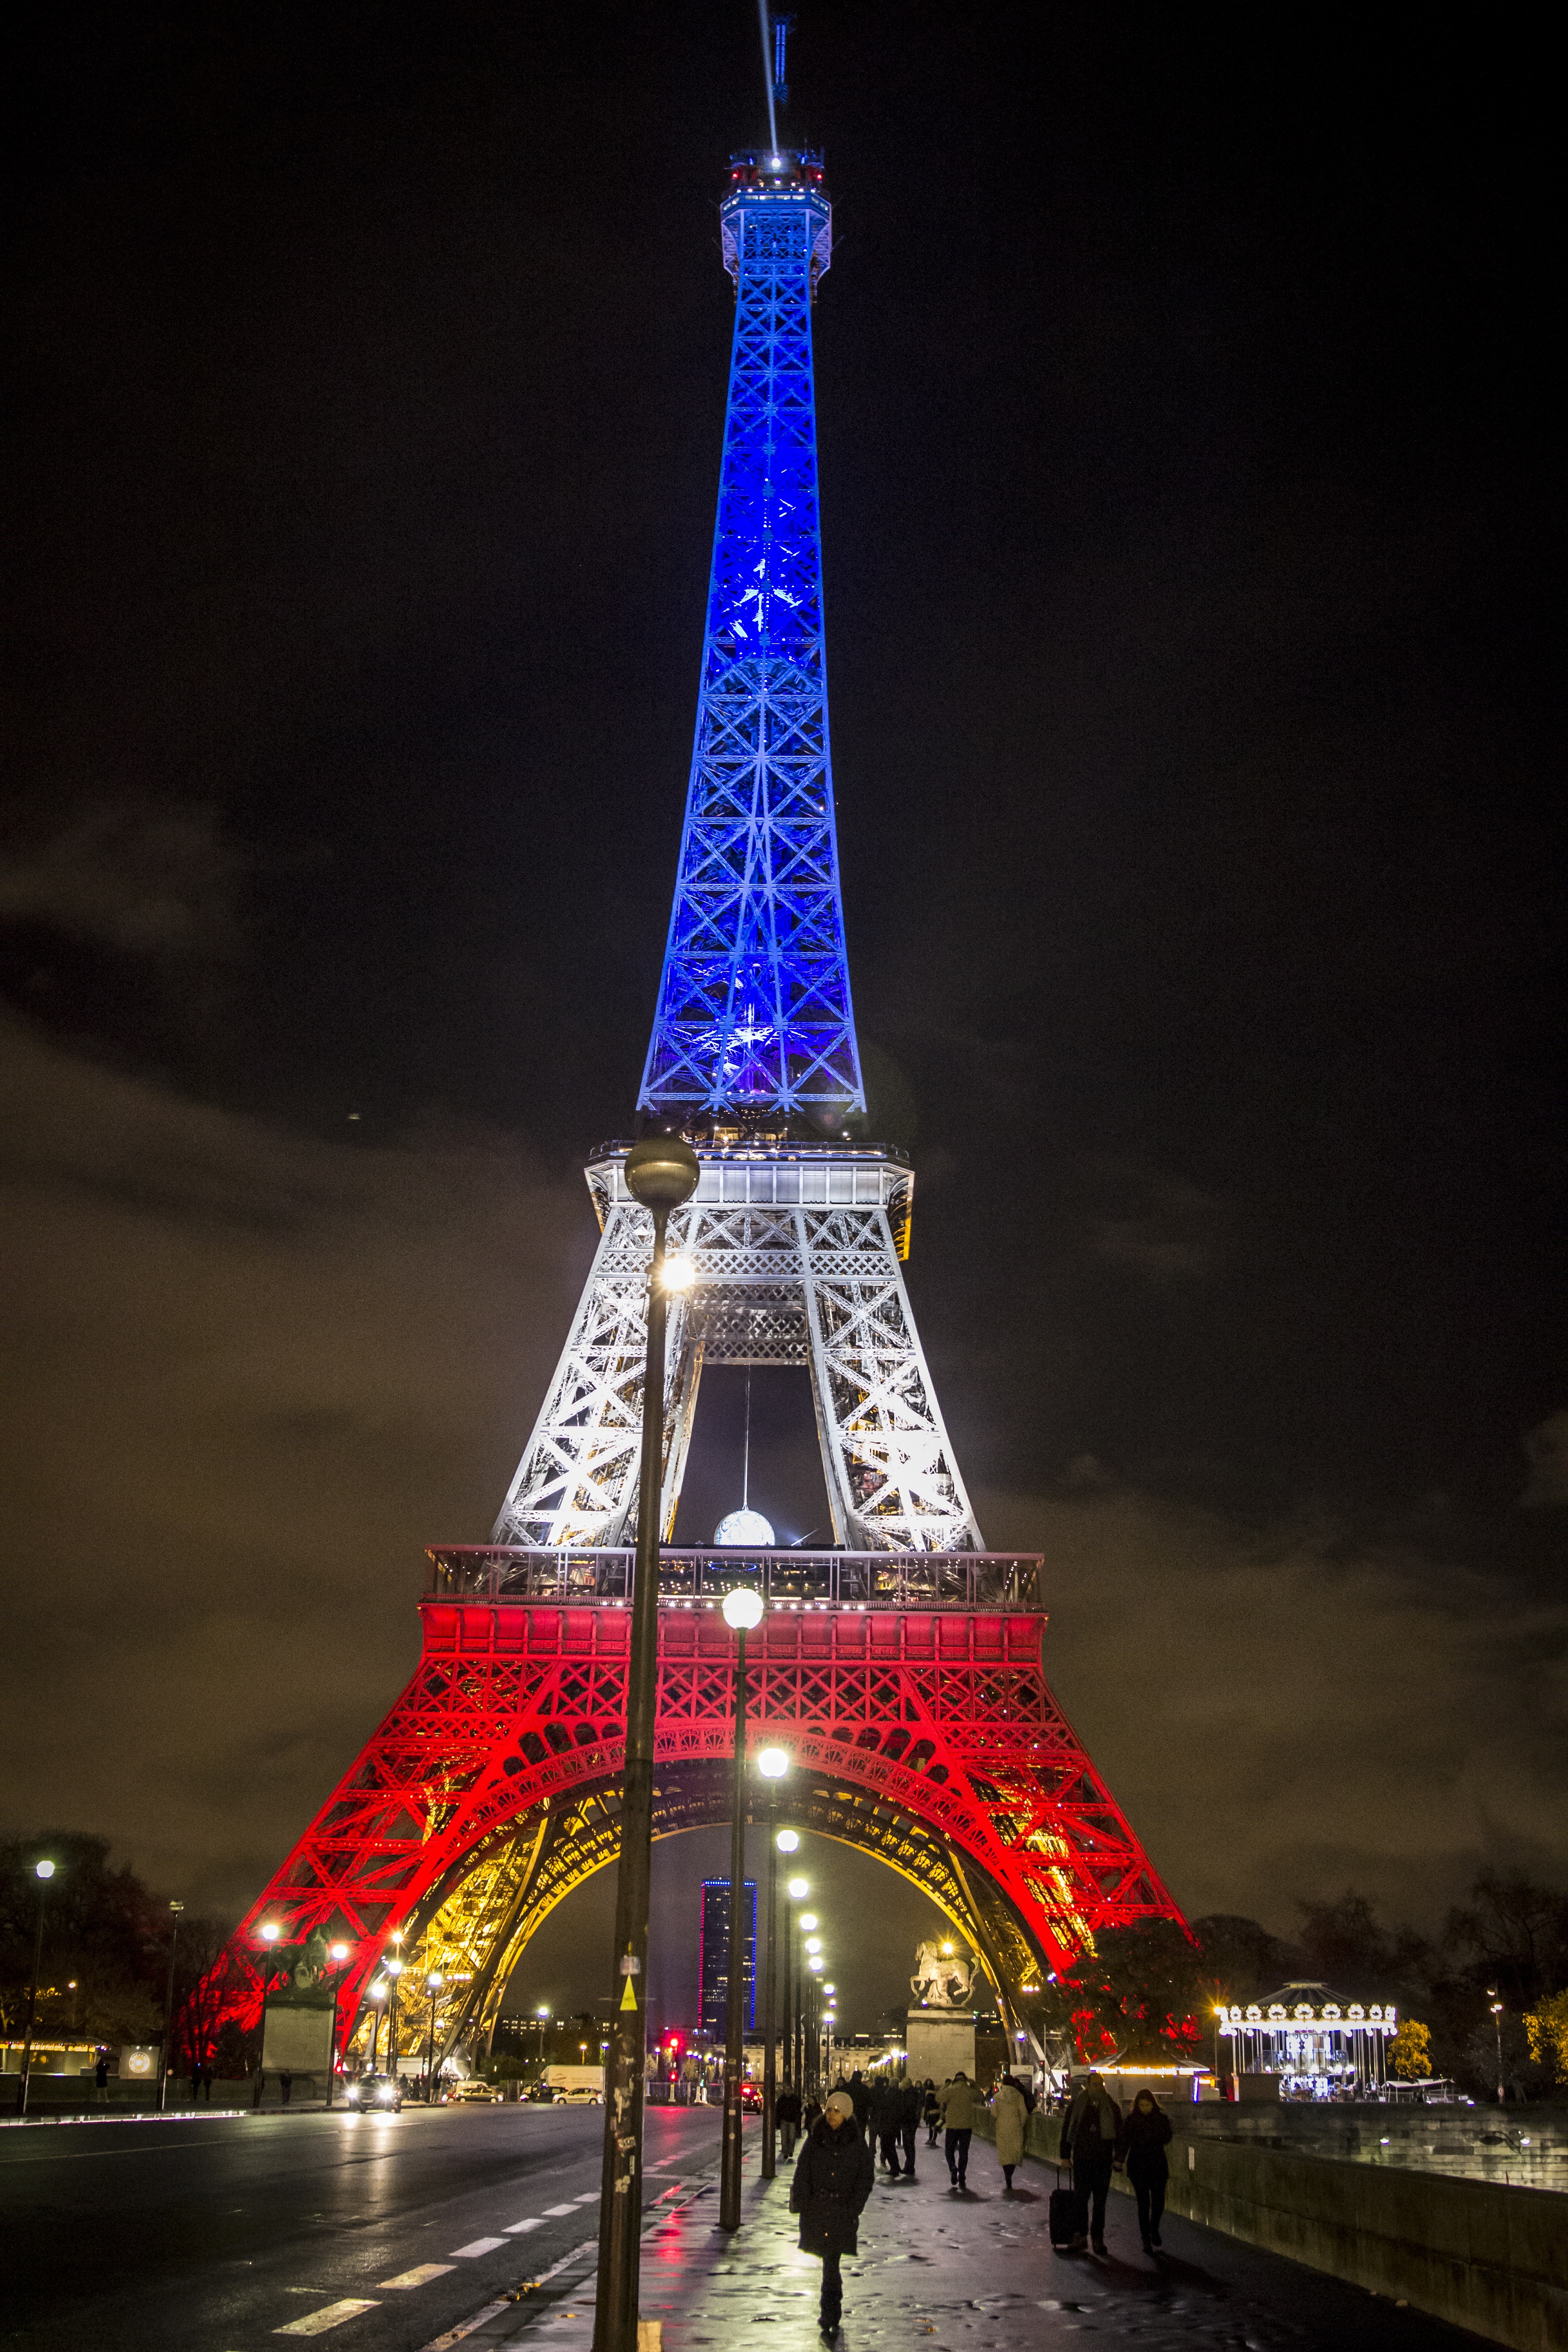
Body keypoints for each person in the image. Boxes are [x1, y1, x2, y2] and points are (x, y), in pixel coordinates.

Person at [790, 2086, 875, 2342]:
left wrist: (854, 2207)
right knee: (829, 2262)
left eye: (837, 2111)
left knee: (831, 2263)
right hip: (818, 2209)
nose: (831, 2115)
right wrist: (803, 2201)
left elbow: (865, 2178)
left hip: (840, 2211)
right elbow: (803, 2171)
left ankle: (829, 2314)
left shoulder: (857, 2143)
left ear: (847, 2115)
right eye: (829, 2110)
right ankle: (830, 2314)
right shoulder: (816, 2138)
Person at [1059, 2070, 1122, 2255]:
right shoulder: (1077, 2105)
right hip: (1082, 2160)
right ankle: (1080, 2236)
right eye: (1094, 2084)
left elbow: (1120, 2133)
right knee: (1081, 2200)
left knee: (1100, 2203)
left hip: (1103, 2161)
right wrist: (1065, 2156)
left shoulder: (1111, 2107)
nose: (1097, 2087)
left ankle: (1097, 2238)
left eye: (1100, 2084)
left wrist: (1119, 2158)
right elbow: (1067, 2130)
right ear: (1088, 2086)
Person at [1123, 2089, 1173, 2251]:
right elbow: (1124, 2142)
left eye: (1148, 2105)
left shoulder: (1161, 2119)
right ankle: (1146, 2237)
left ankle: (1154, 2229)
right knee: (1143, 2203)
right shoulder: (1131, 2121)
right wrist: (1119, 2160)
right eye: (1142, 2105)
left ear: (1153, 2104)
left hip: (1157, 2165)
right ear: (1137, 2105)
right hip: (1138, 2166)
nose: (1145, 2108)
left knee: (1159, 2202)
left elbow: (1167, 2138)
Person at [938, 2070, 980, 2190]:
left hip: (952, 2126)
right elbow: (979, 2097)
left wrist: (947, 2086)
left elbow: (939, 2097)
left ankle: (953, 2168)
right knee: (964, 2152)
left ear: (955, 2080)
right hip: (966, 2127)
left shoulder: (951, 2090)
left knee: (949, 2150)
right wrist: (974, 2086)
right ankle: (962, 2176)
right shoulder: (970, 2091)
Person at [993, 2071, 1029, 2192]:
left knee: (1004, 2153)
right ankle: (1010, 2173)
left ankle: (1006, 2173)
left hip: (1002, 2127)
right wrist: (1020, 2125)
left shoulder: (998, 2096)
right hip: (1016, 2127)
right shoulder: (1019, 2096)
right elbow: (1024, 2114)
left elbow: (993, 2113)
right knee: (1015, 2153)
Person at [871, 2075, 902, 2175]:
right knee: (889, 2145)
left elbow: (885, 2105)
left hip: (888, 2123)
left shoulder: (892, 2093)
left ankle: (894, 2167)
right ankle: (894, 2166)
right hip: (891, 2123)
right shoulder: (897, 2093)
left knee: (886, 2145)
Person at [898, 2075, 921, 2176]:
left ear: (906, 2085)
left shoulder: (908, 2094)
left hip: (908, 2122)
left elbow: (907, 2108)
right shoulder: (915, 2092)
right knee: (910, 2143)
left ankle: (910, 2166)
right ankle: (909, 2165)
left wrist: (902, 2117)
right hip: (912, 2121)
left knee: (908, 2144)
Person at [777, 2083, 803, 2160]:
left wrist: (797, 2118)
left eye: (789, 2089)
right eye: (786, 2089)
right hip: (784, 2121)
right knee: (784, 2138)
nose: (787, 2091)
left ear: (792, 2090)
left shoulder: (796, 2099)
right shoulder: (781, 2099)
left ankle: (791, 2150)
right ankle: (785, 2152)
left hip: (793, 2121)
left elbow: (799, 2110)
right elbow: (778, 2110)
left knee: (792, 2138)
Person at [848, 2069, 872, 2145]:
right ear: (860, 2078)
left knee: (849, 2137)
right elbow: (869, 2103)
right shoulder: (864, 2089)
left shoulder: (847, 2088)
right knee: (860, 2136)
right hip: (861, 2116)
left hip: (848, 2116)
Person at [922, 2079, 941, 2146]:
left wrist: (925, 2115)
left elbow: (927, 2106)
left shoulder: (928, 2096)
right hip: (937, 2113)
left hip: (931, 2113)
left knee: (931, 2127)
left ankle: (930, 2140)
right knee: (936, 2127)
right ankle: (934, 2140)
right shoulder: (936, 2095)